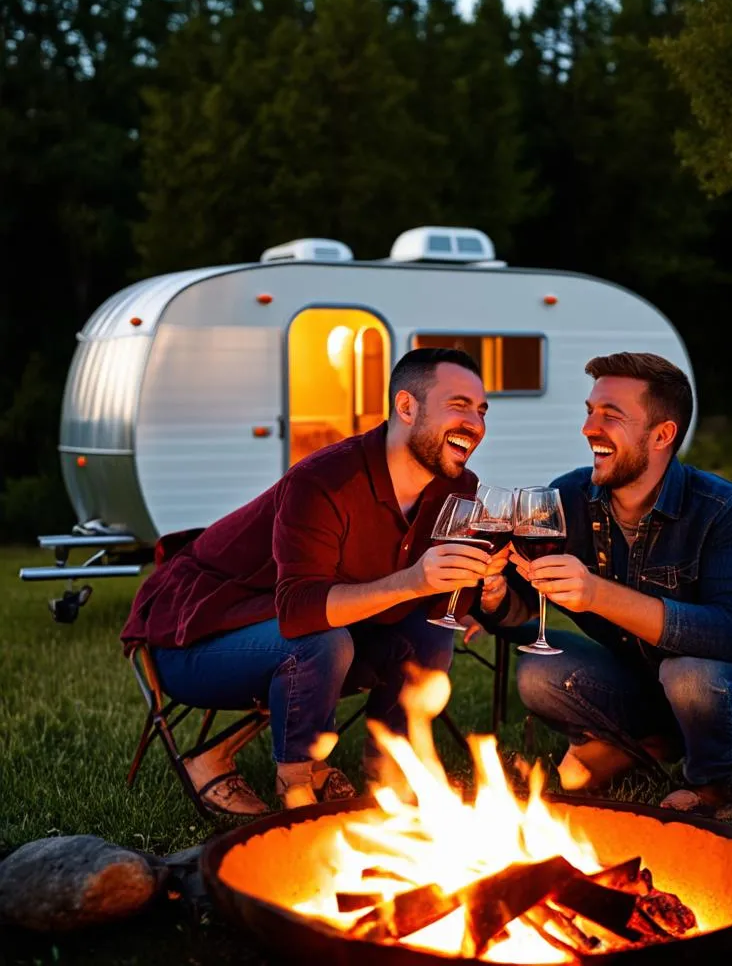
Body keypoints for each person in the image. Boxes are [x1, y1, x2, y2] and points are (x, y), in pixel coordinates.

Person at [120, 348, 509, 814]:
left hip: (303, 634)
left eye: (482, 410)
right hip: (196, 637)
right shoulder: (325, 481)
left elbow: (433, 597)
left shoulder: (457, 490)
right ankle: (297, 787)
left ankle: (393, 777)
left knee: (430, 632)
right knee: (321, 643)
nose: (477, 424)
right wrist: (411, 581)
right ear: (406, 407)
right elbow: (303, 609)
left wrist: (482, 589)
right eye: (459, 405)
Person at [476, 352, 732, 820]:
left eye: (611, 416)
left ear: (662, 435)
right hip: (643, 681)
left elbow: (731, 637)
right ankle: (660, 738)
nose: (590, 428)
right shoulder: (570, 496)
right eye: (590, 412)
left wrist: (597, 593)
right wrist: (494, 598)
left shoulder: (724, 509)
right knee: (539, 673)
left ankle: (714, 786)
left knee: (687, 675)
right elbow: (522, 605)